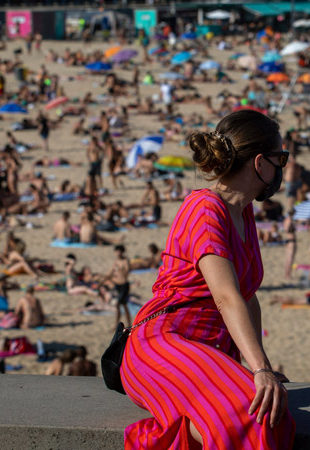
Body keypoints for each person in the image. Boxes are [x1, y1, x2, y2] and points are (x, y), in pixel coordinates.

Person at [121, 110, 294, 449]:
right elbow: (226, 297)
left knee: (271, 414)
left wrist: (260, 366)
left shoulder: (241, 211)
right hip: (164, 344)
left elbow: (248, 295)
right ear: (260, 163)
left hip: (204, 350)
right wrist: (259, 371)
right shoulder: (205, 208)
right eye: (280, 159)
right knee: (256, 419)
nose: (281, 169)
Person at [103, 245, 131, 328]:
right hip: (117, 285)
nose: (118, 253)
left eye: (119, 251)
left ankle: (121, 324)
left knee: (120, 303)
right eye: (117, 251)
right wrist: (103, 280)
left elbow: (126, 272)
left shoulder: (125, 261)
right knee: (122, 305)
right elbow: (110, 272)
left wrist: (120, 270)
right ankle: (122, 323)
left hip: (124, 285)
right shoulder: (116, 261)